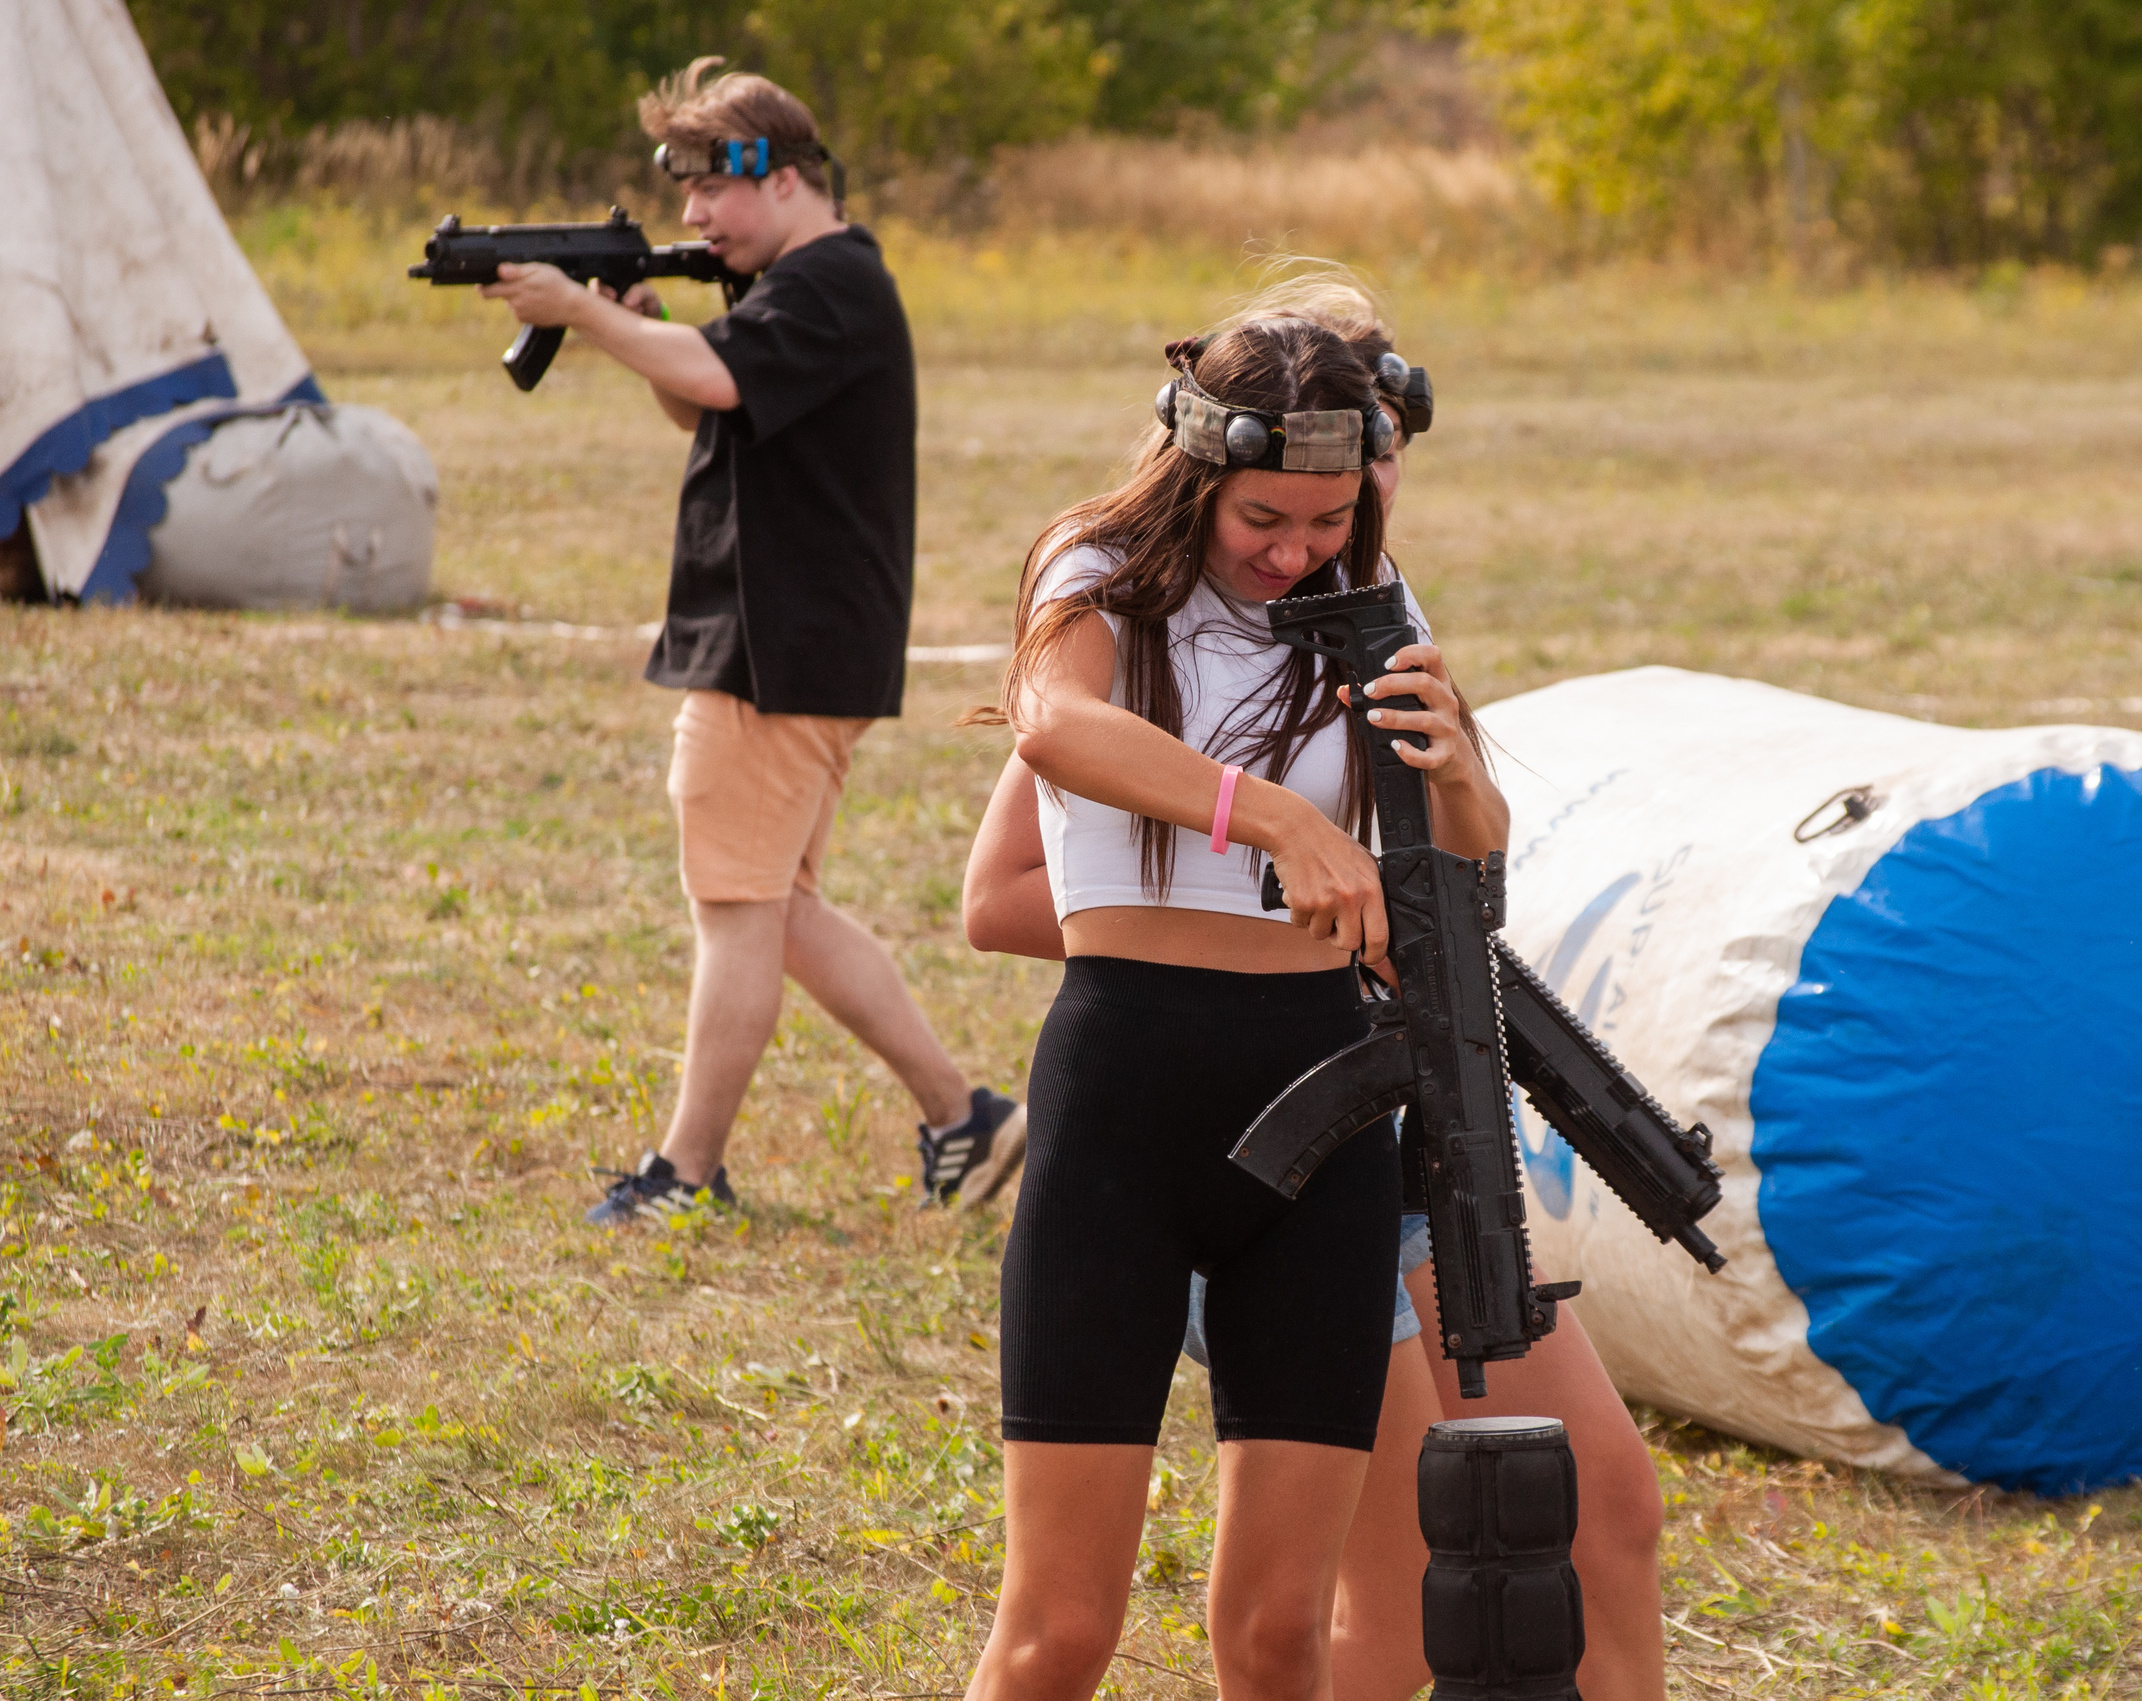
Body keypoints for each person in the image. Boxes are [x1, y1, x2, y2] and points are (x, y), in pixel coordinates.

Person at [962, 280, 1669, 1701]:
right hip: (1129, 1099)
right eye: (1263, 520)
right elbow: (1056, 727)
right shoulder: (1098, 572)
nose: (1295, 552)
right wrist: (1276, 819)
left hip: (1326, 1117)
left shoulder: (1370, 598)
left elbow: (1467, 874)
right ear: (1198, 472)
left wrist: (1462, 775)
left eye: (1326, 521)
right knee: (1058, 1634)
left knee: (1289, 1633)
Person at [474, 57, 1022, 1224]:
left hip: (775, 648)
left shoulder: (828, 284)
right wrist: (634, 324)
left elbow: (720, 381)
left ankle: (684, 1172)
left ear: (772, 178)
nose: (689, 216)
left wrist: (578, 312)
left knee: (735, 912)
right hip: (794, 642)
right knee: (778, 909)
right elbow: (712, 392)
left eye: (705, 189)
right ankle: (961, 1117)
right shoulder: (807, 284)